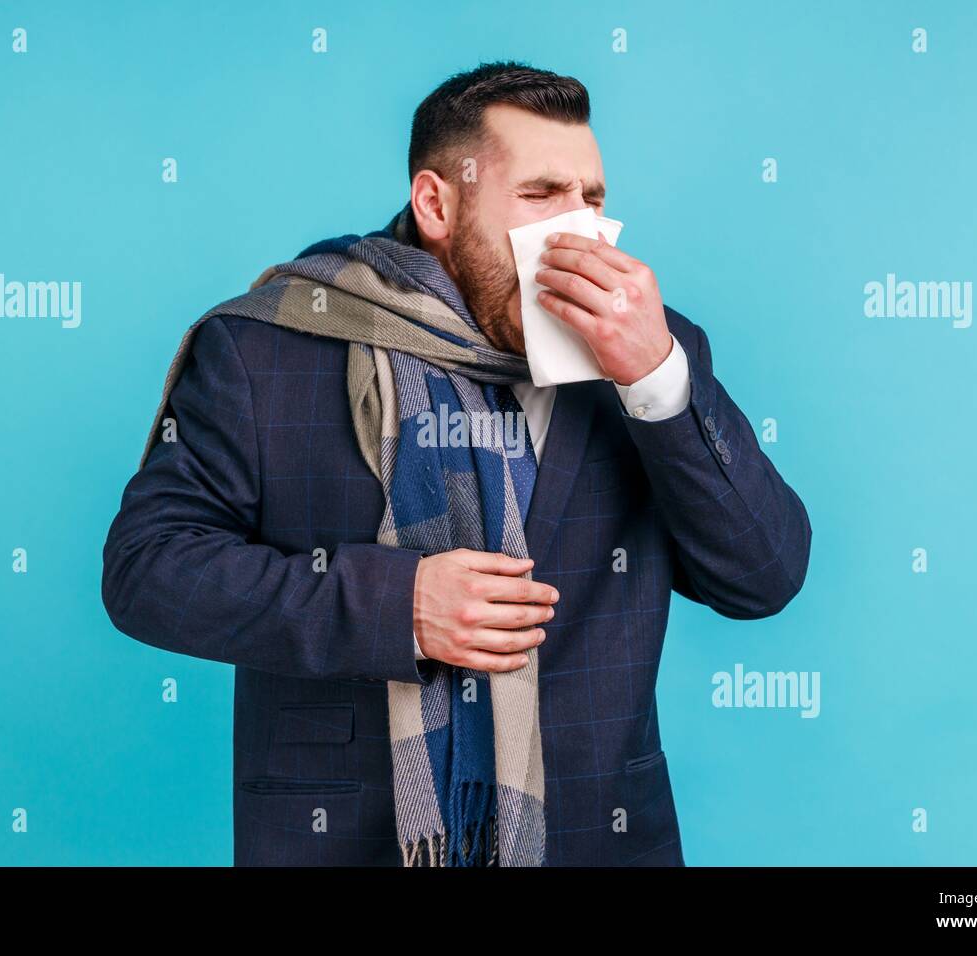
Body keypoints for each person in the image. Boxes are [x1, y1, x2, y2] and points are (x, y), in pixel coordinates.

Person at [101, 61, 812, 866]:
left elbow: (764, 576)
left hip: (593, 838)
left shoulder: (649, 351)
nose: (579, 230)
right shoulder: (271, 348)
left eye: (594, 199)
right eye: (542, 197)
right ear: (437, 203)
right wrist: (394, 606)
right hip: (352, 841)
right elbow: (147, 571)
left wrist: (656, 377)